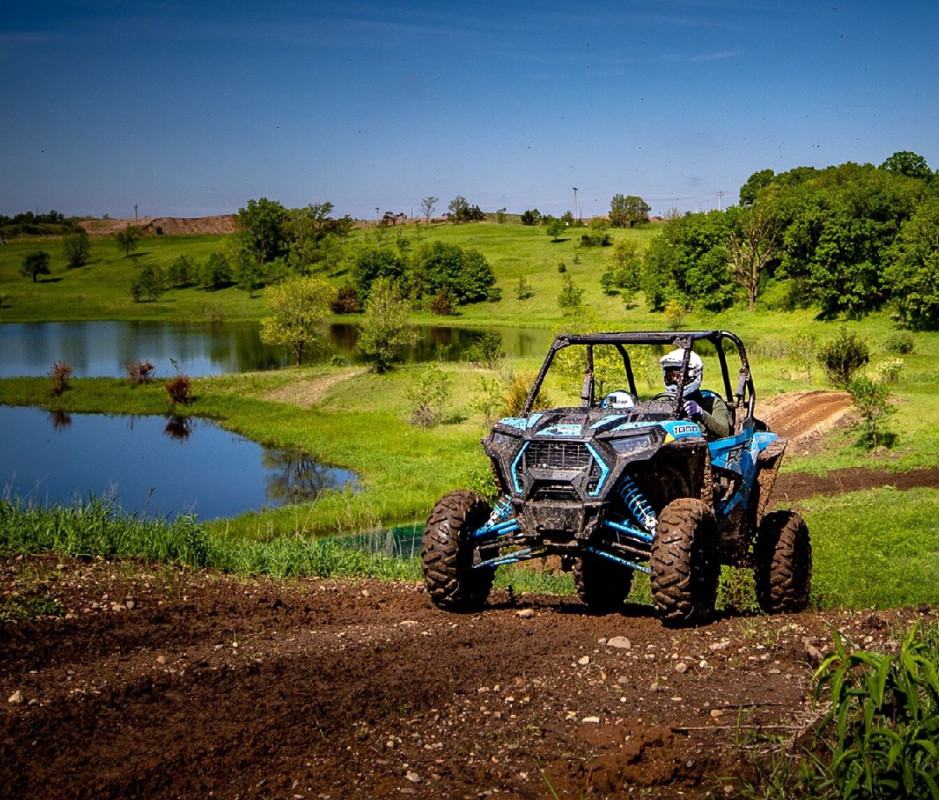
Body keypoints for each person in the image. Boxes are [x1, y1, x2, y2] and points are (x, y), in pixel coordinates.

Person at [659, 349, 731, 439]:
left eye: (680, 377)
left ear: (694, 375)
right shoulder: (664, 404)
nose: (676, 382)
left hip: (706, 449)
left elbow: (725, 432)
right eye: (670, 377)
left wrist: (701, 413)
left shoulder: (713, 403)